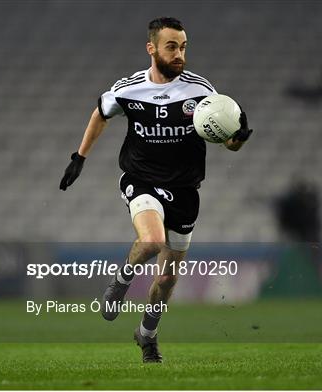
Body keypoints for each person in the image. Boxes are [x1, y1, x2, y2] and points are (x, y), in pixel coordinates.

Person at [59, 17, 253, 363]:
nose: (179, 54)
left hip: (185, 189)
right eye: (171, 46)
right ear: (152, 48)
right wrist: (80, 157)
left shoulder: (202, 92)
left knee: (167, 278)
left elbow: (228, 141)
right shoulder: (128, 88)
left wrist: (237, 139)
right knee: (151, 241)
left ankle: (147, 334)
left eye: (183, 47)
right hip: (141, 179)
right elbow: (100, 114)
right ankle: (121, 281)